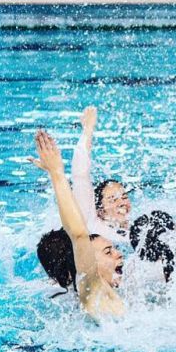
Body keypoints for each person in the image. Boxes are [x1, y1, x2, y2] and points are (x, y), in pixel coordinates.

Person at [31, 130, 125, 318]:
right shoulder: (94, 292)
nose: (119, 253)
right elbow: (79, 235)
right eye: (108, 252)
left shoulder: (110, 295)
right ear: (88, 264)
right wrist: (57, 173)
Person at [72, 106, 131, 243]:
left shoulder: (134, 230)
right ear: (100, 210)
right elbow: (80, 175)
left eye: (124, 197)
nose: (122, 203)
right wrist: (88, 130)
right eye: (113, 199)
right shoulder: (93, 227)